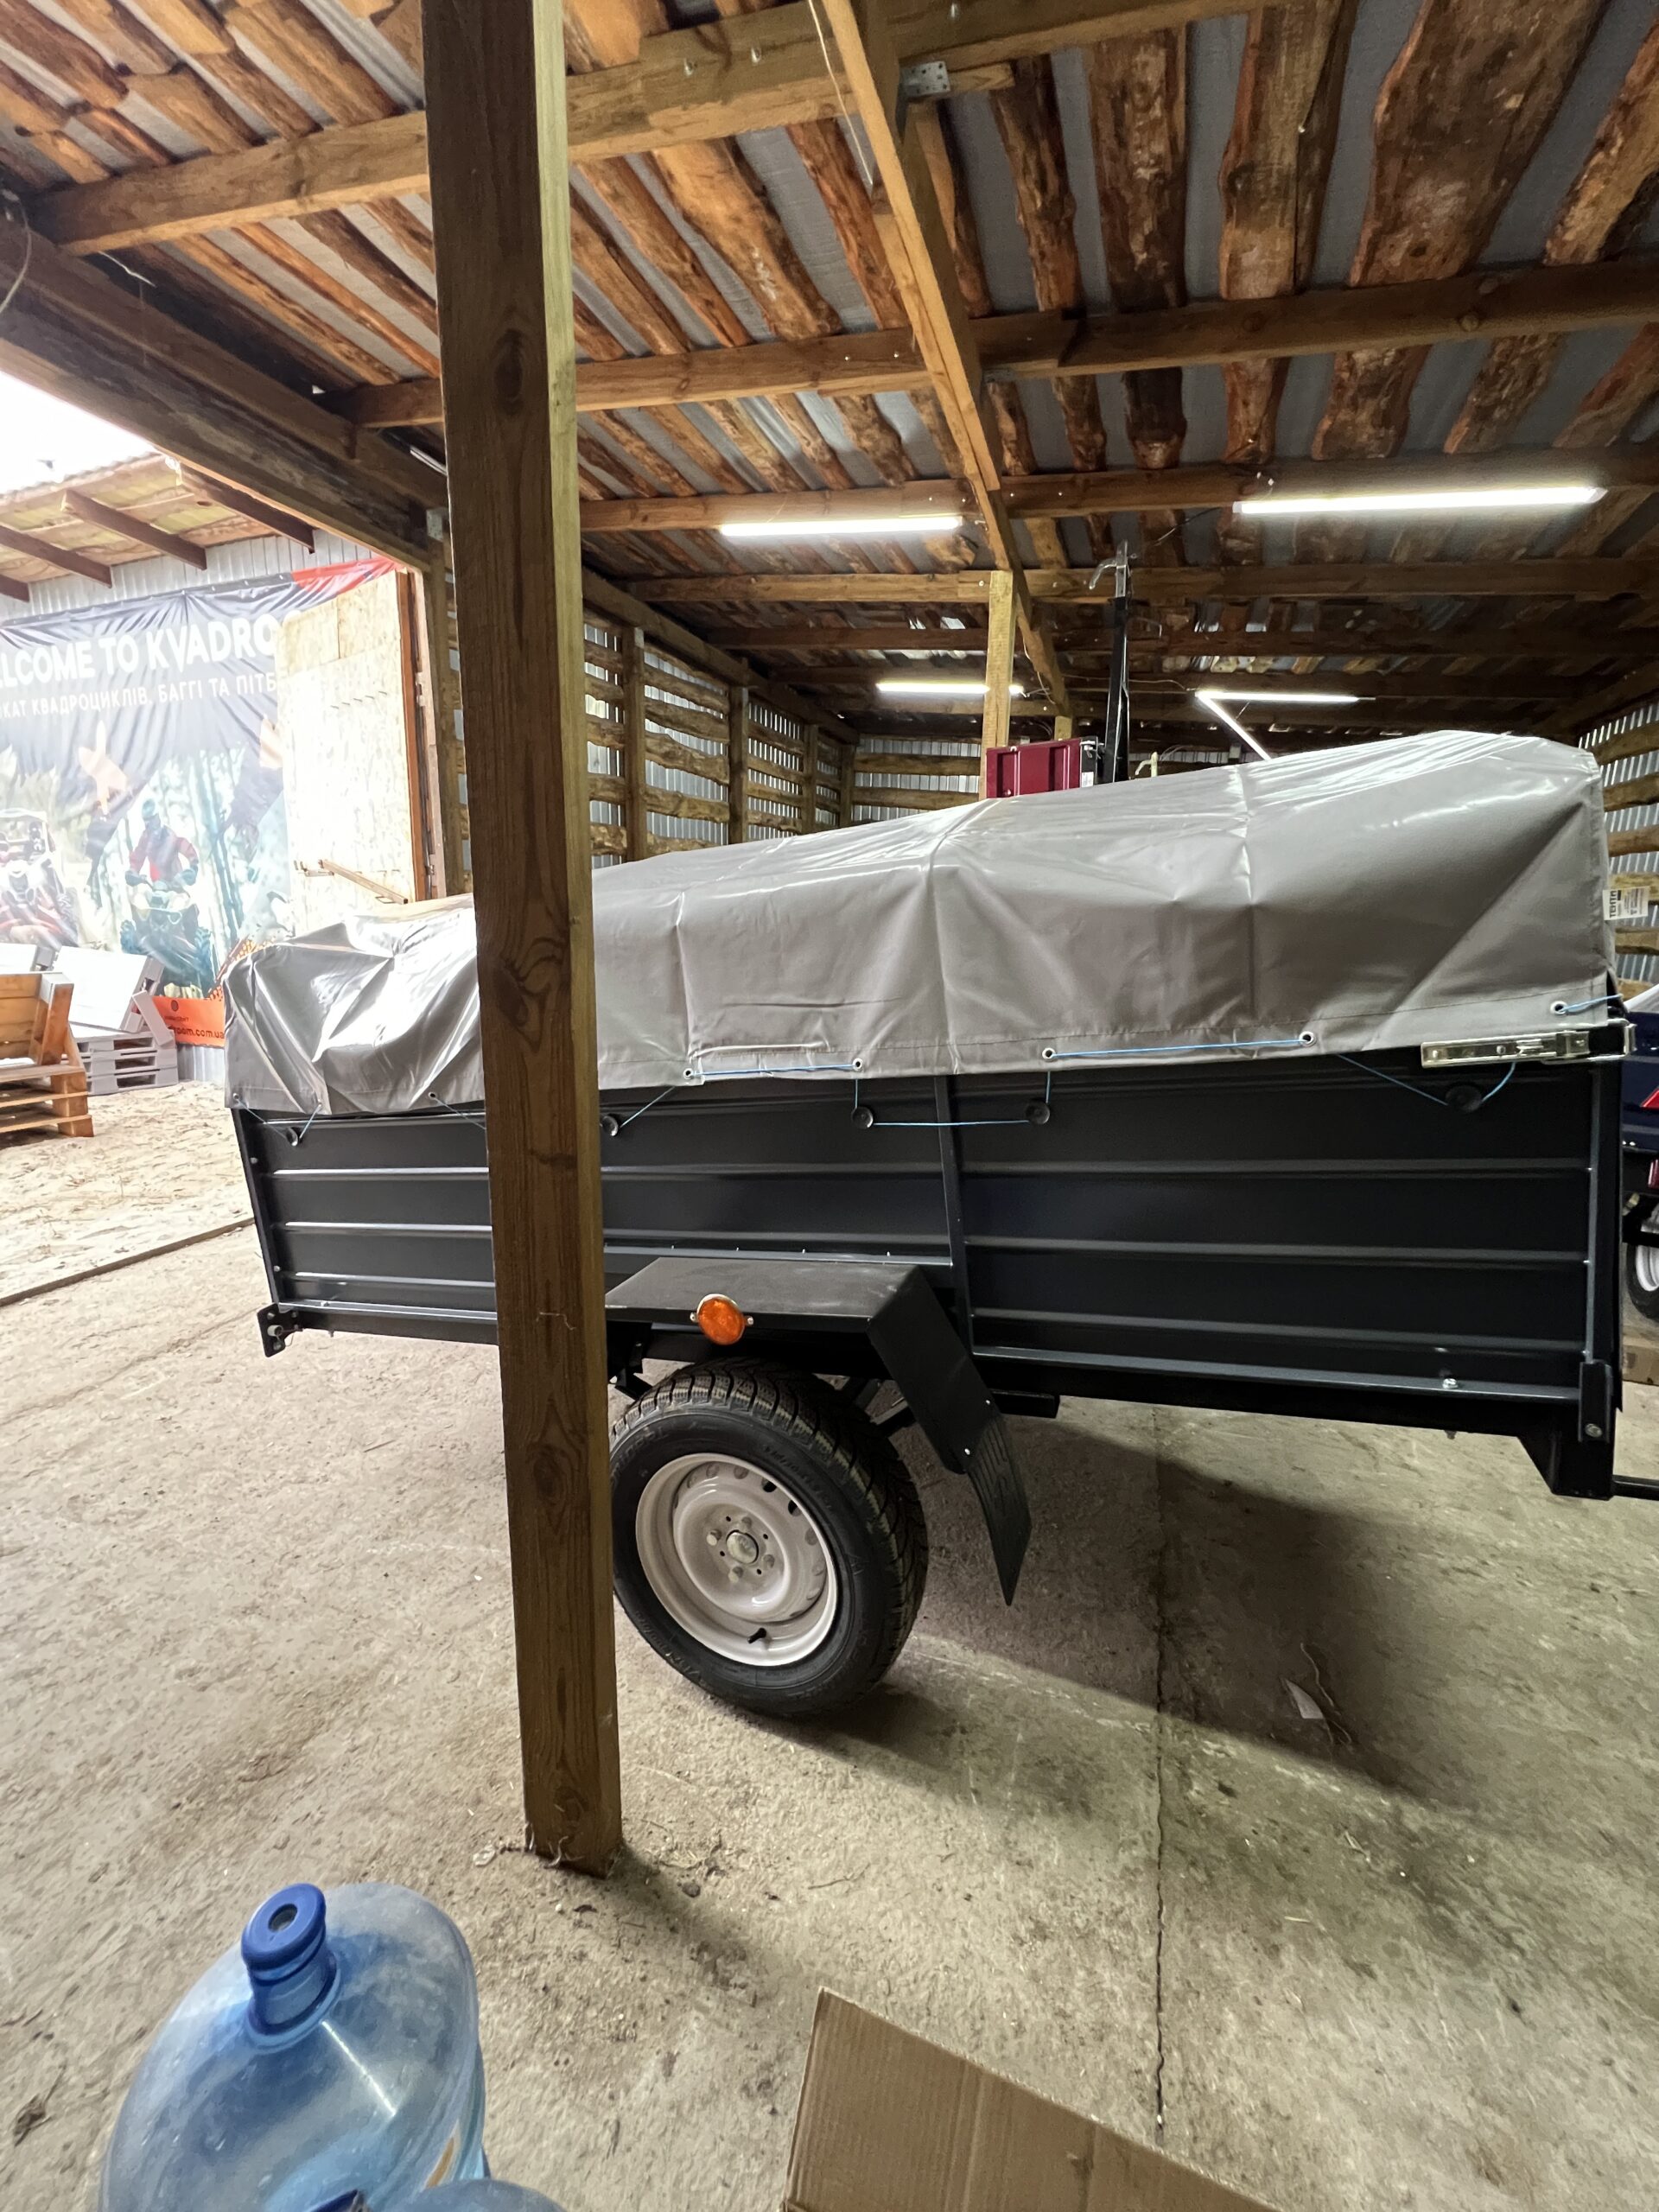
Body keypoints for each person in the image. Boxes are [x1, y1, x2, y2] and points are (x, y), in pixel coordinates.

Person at [126, 797, 200, 891]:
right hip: (156, 888)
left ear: (157, 817)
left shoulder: (168, 835)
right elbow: (138, 855)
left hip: (175, 885)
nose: (148, 824)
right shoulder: (145, 838)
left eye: (151, 819)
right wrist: (133, 872)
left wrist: (193, 866)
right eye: (145, 820)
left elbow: (184, 845)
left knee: (186, 899)